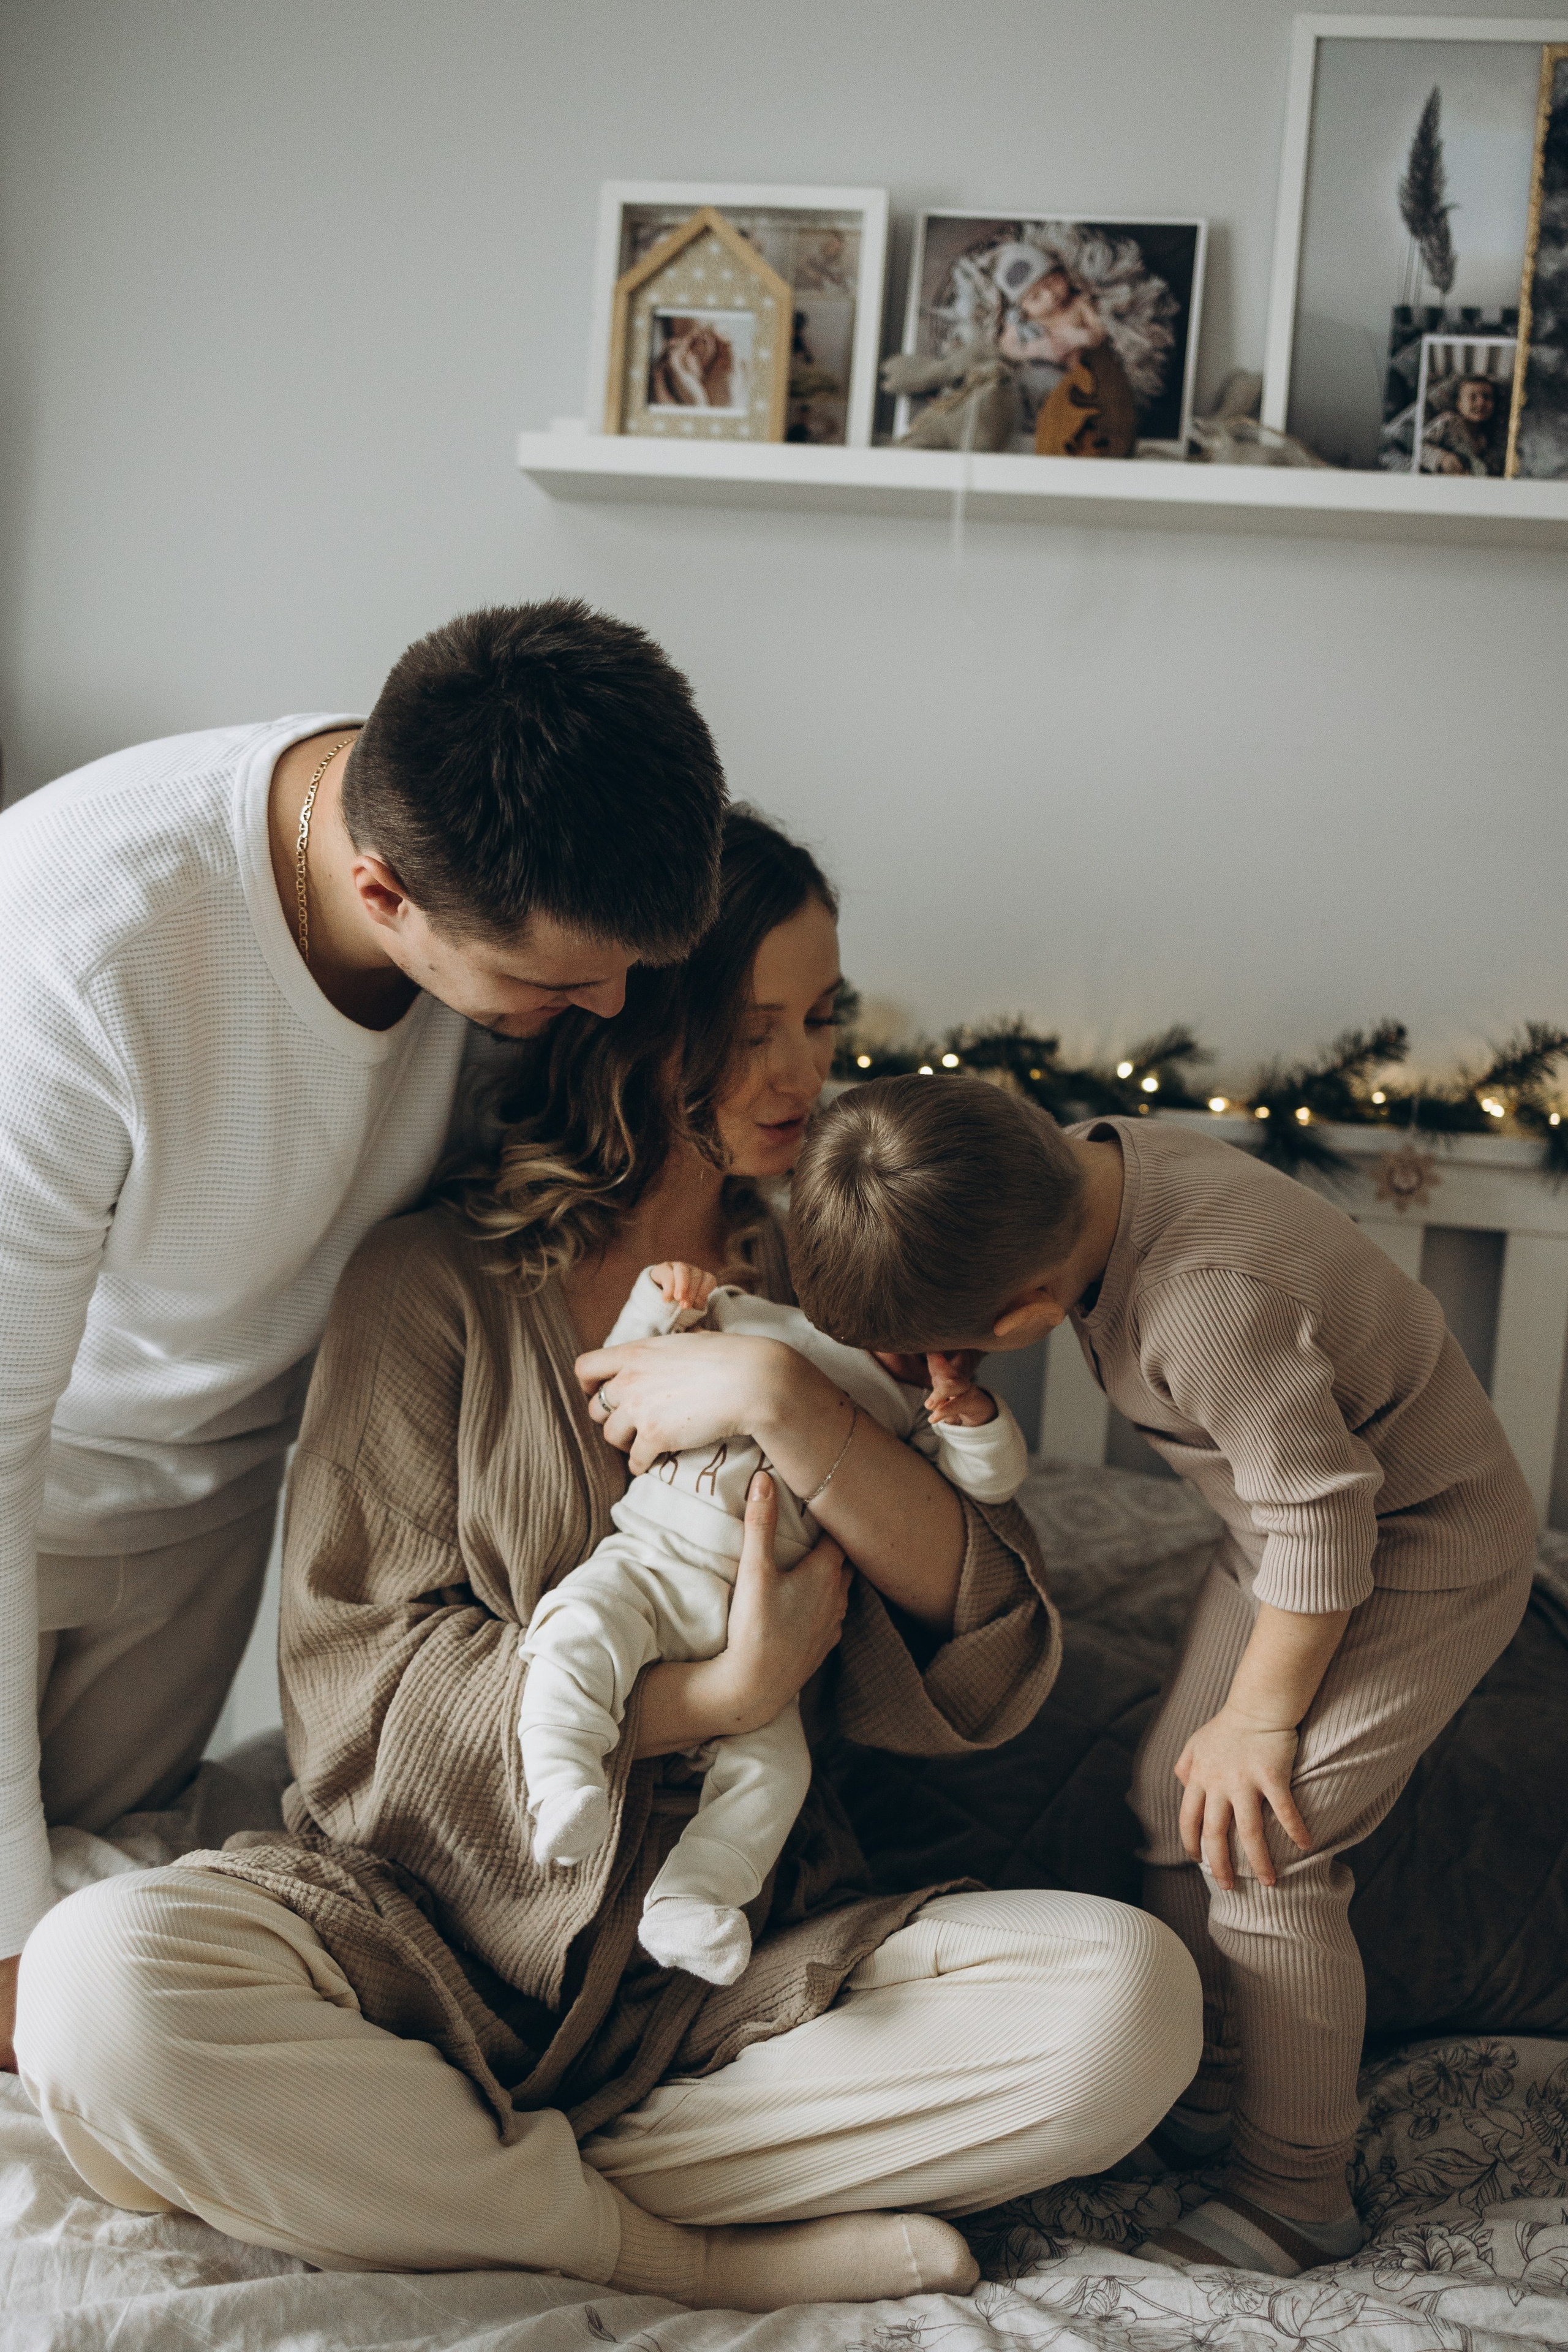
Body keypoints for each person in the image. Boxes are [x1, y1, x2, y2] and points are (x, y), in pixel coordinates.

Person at [15, 812, 1200, 2315]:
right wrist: (711, 1694)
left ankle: (427, 2178)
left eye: (822, 1019)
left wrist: (785, 1401)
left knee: (1127, 2007)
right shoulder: (430, 1280)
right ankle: (665, 2246)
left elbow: (996, 1638)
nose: (797, 1074)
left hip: (727, 1961)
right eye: (745, 1027)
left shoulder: (843, 1286)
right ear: (632, 1022)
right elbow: (345, 1686)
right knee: (92, 1987)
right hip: (415, 1940)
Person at [0, 598, 730, 2070]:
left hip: (206, 1505)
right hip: (36, 1462)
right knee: (34, 1956)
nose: (604, 1008)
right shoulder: (81, 944)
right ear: (382, 889)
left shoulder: (508, 871)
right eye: (556, 983)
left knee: (108, 1912)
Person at [789, 1072, 1536, 2280]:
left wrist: (1259, 1717)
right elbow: (1286, 1516)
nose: (920, 1361)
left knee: (1265, 1839)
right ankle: (1219, 2064)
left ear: (1032, 1307)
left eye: (941, 1339)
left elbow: (1322, 1529)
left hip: (1417, 1548)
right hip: (1285, 1538)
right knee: (1165, 1796)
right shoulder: (1078, 1167)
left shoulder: (1203, 1304)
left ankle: (1296, 2192)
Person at [519, 1253, 1028, 1986]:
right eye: (922, 1327)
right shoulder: (758, 1321)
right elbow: (623, 1372)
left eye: (963, 1344)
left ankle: (693, 1899)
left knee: (775, 1773)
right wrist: (667, 1299)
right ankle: (563, 1783)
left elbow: (992, 1484)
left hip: (760, 1618)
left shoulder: (905, 1421)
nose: (937, 1353)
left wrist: (971, 1411)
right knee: (572, 1638)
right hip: (648, 1563)